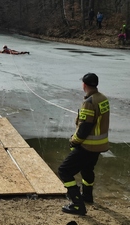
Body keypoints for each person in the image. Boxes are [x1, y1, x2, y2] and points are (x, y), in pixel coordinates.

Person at [58, 73, 110, 216]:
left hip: (88, 145)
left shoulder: (90, 102)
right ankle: (87, 196)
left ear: (84, 85)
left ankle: (77, 205)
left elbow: (85, 127)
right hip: (99, 145)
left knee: (64, 171)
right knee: (87, 170)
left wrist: (74, 141)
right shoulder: (103, 98)